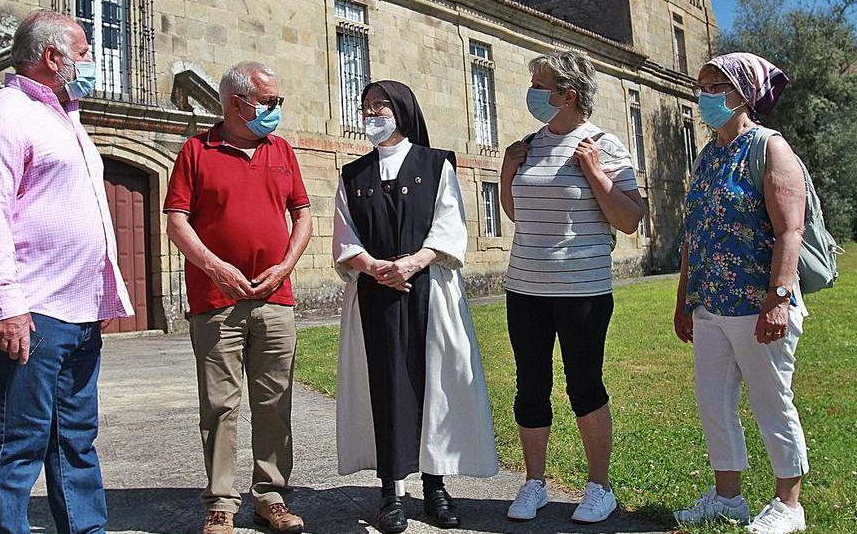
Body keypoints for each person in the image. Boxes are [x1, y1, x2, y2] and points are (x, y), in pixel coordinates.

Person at [0, 8, 135, 534]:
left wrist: (99, 298)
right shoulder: (2, 115)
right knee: (19, 442)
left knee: (75, 439)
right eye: (83, 52)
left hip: (77, 314)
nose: (91, 60)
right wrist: (5, 306)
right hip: (31, 313)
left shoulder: (67, 116)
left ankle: (86, 529)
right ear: (52, 56)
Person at [333, 80, 498, 533]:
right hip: (374, 294)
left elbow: (449, 225)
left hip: (429, 290)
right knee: (385, 387)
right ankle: (389, 491)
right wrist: (372, 265)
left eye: (380, 105)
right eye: (366, 107)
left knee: (434, 385)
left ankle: (435, 487)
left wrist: (413, 262)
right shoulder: (353, 175)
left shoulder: (435, 164)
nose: (371, 114)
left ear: (402, 110)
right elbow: (345, 237)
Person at [163, 62, 312, 534]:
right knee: (221, 405)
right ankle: (221, 502)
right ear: (235, 103)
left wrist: (286, 267)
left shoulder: (282, 150)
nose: (276, 110)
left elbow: (303, 216)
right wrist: (216, 267)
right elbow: (177, 221)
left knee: (275, 400)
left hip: (275, 297)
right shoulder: (196, 151)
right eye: (269, 102)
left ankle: (272, 496)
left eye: (277, 101)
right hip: (215, 299)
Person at [499, 51, 645, 525]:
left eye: (541, 85)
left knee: (584, 385)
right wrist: (506, 171)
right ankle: (533, 483)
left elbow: (628, 219)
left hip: (582, 290)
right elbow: (519, 214)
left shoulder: (605, 145)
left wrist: (596, 172)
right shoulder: (527, 145)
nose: (533, 94)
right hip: (525, 288)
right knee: (530, 387)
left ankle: (599, 487)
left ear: (569, 95)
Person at [672, 52, 810, 534]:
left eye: (715, 86)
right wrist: (684, 299)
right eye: (702, 86)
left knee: (771, 399)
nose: (704, 96)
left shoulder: (768, 148)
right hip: (710, 303)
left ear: (743, 93)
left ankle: (789, 504)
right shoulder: (707, 155)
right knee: (713, 401)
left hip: (757, 304)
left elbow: (790, 229)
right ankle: (727, 497)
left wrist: (778, 298)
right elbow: (695, 232)